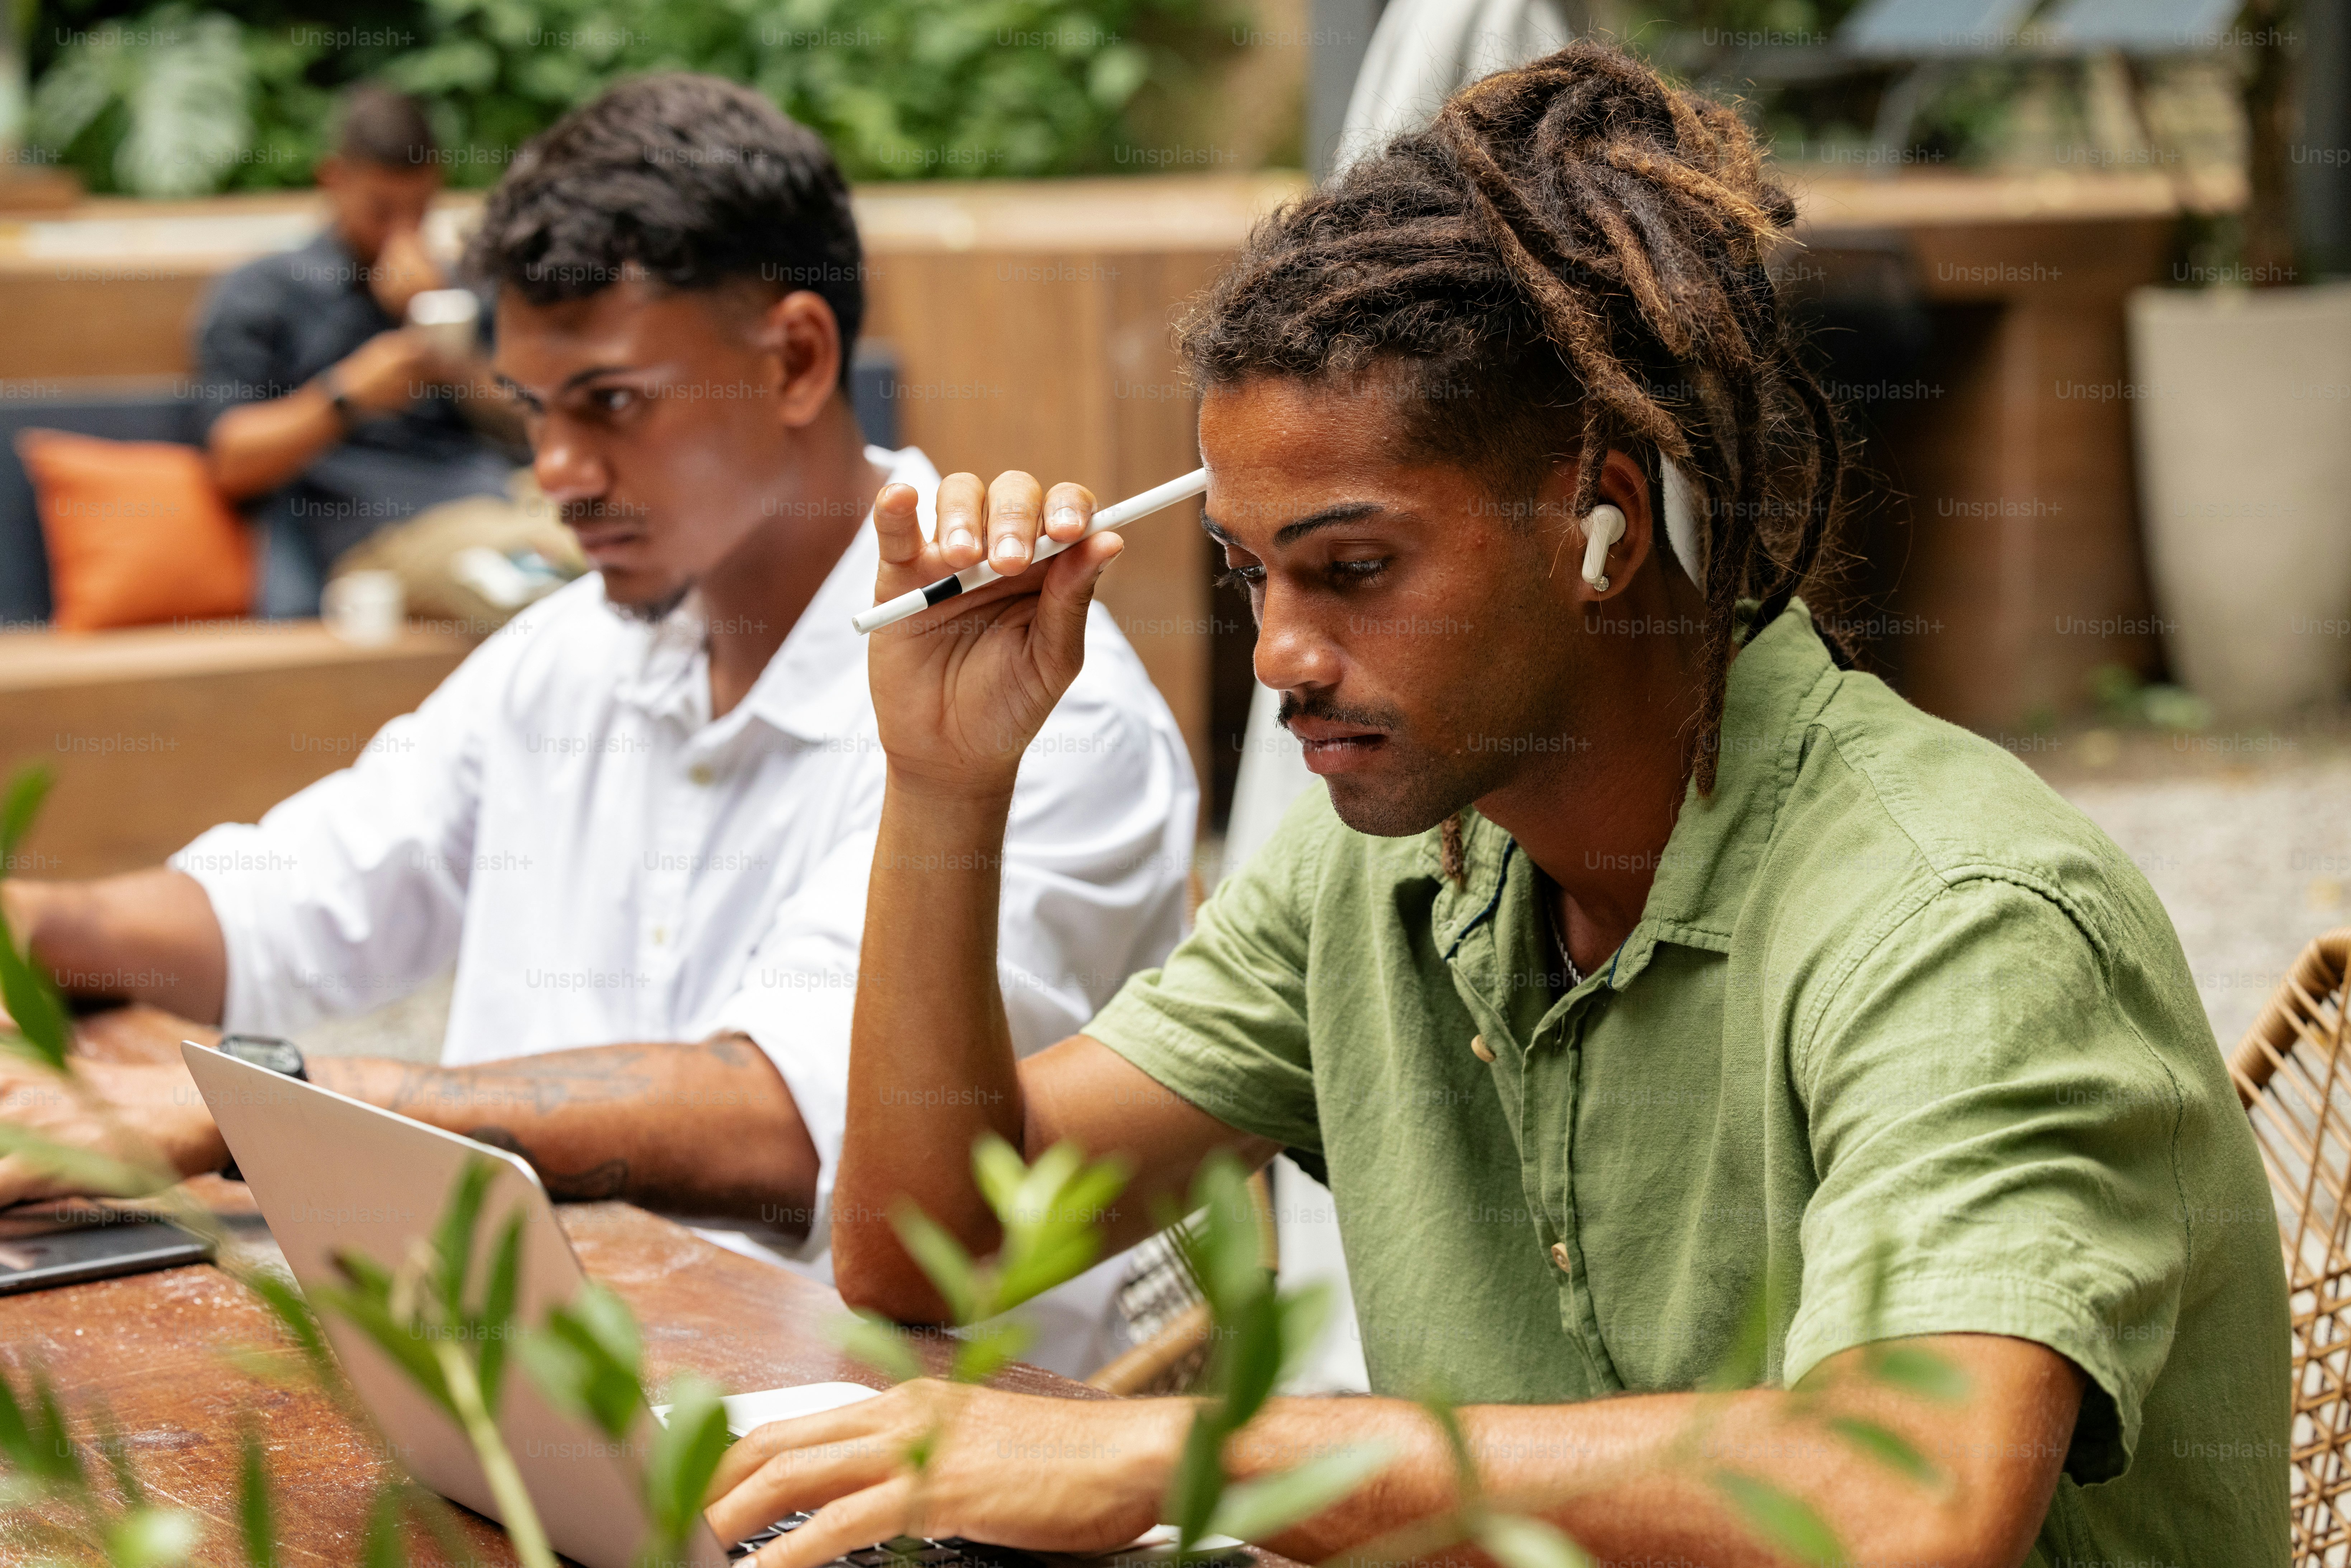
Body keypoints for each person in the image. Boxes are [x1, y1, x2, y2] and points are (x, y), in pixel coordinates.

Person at [701, 43, 2289, 1568]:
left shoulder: (1961, 917)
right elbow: (924, 1252)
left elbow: (1906, 1502)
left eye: (1356, 570)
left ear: (1594, 520)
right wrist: (946, 780)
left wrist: (1194, 1458)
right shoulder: (1387, 864)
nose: (1285, 658)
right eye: (1253, 576)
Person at [0, 75, 1195, 1373]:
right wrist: (40, 923)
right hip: (523, 1404)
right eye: (531, 410)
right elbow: (291, 901)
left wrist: (260, 1097)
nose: (557, 472)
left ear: (794, 358)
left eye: (610, 403)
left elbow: (803, 1129)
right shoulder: (571, 653)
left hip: (886, 1457)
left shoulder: (1043, 714)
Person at [194, 83, 523, 617]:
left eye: (419, 212)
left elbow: (535, 424)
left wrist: (448, 349)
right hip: (372, 534)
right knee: (536, 593)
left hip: (501, 502)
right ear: (334, 180)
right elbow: (232, 461)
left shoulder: (454, 290)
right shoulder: (267, 292)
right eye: (381, 210)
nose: (402, 232)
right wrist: (347, 396)